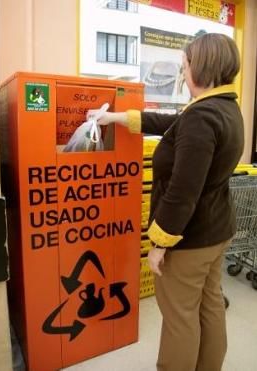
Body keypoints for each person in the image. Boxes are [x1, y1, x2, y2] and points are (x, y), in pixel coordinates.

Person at [87, 33, 244, 371]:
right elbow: (173, 124)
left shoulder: (202, 117)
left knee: (180, 316)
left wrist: (158, 243)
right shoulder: (226, 107)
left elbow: (182, 191)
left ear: (201, 67)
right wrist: (117, 119)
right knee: (209, 304)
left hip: (190, 240)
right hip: (217, 230)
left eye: (185, 66)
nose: (182, 73)